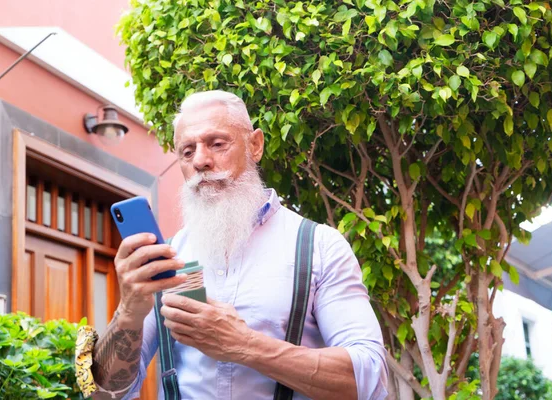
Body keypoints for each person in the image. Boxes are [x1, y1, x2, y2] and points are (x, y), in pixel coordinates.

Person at [90, 90, 388, 400]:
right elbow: (106, 394)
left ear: (255, 145)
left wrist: (244, 344)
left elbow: (369, 378)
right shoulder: (169, 256)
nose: (201, 161)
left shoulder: (318, 246)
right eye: (187, 151)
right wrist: (129, 311)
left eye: (217, 144)